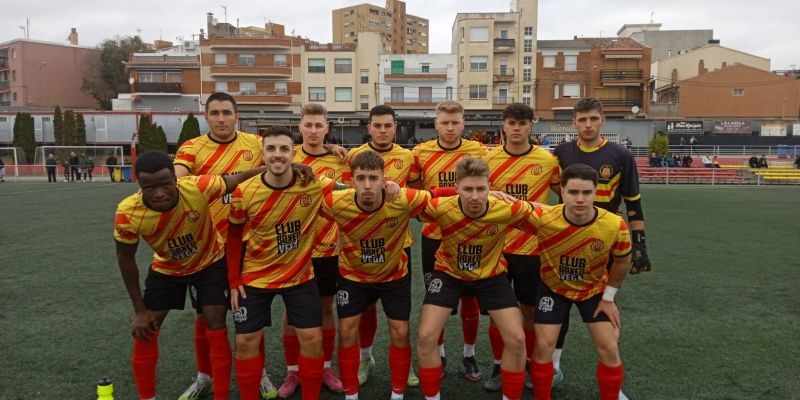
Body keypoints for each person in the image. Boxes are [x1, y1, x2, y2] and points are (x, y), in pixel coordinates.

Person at [113, 150, 266, 400]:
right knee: (146, 328)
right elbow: (125, 258)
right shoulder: (128, 212)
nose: (159, 193)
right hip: (167, 268)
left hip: (209, 262)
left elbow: (238, 178)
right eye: (149, 187)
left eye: (165, 184)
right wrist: (139, 309)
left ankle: (221, 395)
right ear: (139, 185)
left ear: (176, 178)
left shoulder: (197, 186)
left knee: (215, 321)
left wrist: (283, 169)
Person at [225, 126, 346, 400]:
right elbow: (233, 238)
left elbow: (351, 190)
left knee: (313, 340)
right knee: (245, 342)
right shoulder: (245, 192)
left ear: (294, 153)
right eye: (271, 149)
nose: (277, 155)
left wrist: (388, 187)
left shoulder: (313, 184)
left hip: (300, 276)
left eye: (283, 149)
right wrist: (233, 280)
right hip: (255, 277)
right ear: (262, 153)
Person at [172, 91, 276, 400]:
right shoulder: (192, 148)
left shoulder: (255, 144)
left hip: (247, 243)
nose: (221, 118)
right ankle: (204, 376)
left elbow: (286, 159)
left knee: (252, 315)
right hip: (207, 248)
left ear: (236, 115)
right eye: (214, 113)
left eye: (226, 113)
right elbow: (178, 182)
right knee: (205, 316)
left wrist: (336, 149)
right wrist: (228, 181)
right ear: (206, 116)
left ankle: (260, 373)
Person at [323, 151, 445, 400]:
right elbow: (304, 190)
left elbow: (438, 194)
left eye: (373, 178)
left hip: (394, 276)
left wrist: (488, 192)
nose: (367, 185)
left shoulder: (402, 199)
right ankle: (351, 395)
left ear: (384, 180)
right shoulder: (336, 201)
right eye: (361, 178)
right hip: (353, 277)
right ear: (352, 180)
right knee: (347, 331)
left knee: (400, 332)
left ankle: (397, 394)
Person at [416, 156, 537, 400]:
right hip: (448, 274)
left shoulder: (506, 208)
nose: (474, 196)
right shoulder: (441, 206)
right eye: (467, 189)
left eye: (481, 189)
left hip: (491, 276)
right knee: (426, 336)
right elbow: (404, 201)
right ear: (457, 186)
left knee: (516, 338)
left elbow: (549, 216)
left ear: (489, 187)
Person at [553, 97, 650, 400]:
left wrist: (640, 245)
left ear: (603, 120)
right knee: (562, 301)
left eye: (593, 119)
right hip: (566, 237)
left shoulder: (620, 154)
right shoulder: (561, 153)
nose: (587, 125)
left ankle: (612, 381)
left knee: (606, 304)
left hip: (607, 238)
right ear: (574, 123)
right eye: (582, 120)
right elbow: (555, 189)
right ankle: (554, 366)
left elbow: (633, 203)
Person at [529, 163, 633, 400]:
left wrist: (608, 298)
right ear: (562, 191)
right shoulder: (544, 217)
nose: (580, 199)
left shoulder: (614, 224)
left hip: (593, 290)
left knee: (609, 347)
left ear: (596, 192)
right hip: (553, 288)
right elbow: (508, 208)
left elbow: (622, 261)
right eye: (573, 192)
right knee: (544, 347)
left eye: (586, 192)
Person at [481, 103, 560, 392]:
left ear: (531, 126)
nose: (516, 128)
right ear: (503, 125)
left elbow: (564, 198)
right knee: (496, 311)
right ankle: (499, 364)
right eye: (511, 122)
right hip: (496, 248)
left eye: (522, 123)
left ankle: (525, 363)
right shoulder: (488, 159)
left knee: (528, 311)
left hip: (532, 249)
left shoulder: (547, 161)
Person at [410, 100, 488, 382]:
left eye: (455, 122)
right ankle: (440, 353)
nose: (450, 128)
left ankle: (469, 354)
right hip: (433, 236)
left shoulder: (478, 151)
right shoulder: (420, 153)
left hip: (469, 235)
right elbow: (416, 193)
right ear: (436, 123)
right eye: (445, 122)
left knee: (470, 299)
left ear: (463, 123)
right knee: (436, 298)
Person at [345, 105, 420, 388]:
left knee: (400, 314)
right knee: (364, 309)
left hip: (399, 243)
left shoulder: (408, 156)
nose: (383, 130)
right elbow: (345, 192)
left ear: (395, 127)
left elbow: (418, 189)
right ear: (369, 127)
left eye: (388, 125)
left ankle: (407, 364)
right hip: (361, 243)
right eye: (377, 125)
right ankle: (366, 358)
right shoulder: (353, 156)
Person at [281, 103, 348, 397]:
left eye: (318, 125)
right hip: (293, 250)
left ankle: (325, 367)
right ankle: (292, 371)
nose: (313, 130)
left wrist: (335, 149)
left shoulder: (342, 160)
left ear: (327, 128)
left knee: (324, 308)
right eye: (308, 125)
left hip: (327, 249)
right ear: (300, 127)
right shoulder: (286, 156)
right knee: (291, 311)